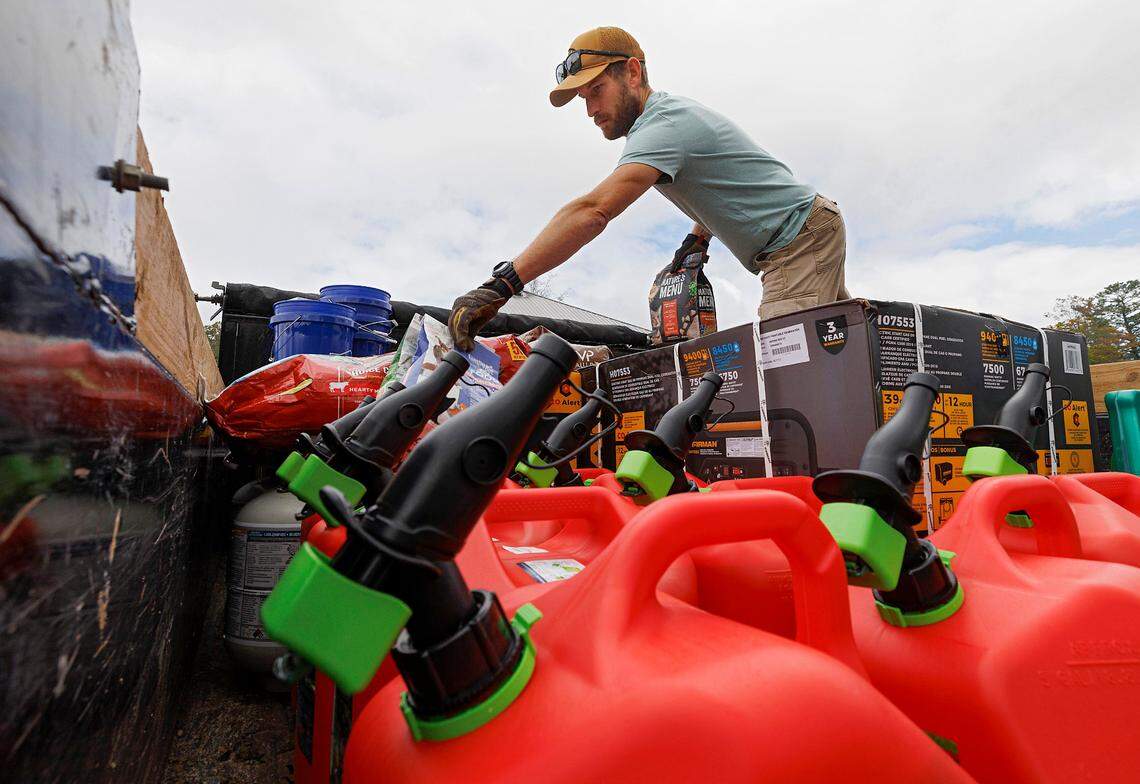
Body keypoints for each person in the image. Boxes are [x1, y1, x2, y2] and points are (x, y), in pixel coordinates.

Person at [447, 26, 848, 351]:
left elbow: (593, 211)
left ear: (633, 73)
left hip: (796, 244)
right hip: (807, 230)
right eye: (583, 98)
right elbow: (720, 179)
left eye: (596, 91)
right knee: (843, 351)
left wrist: (502, 286)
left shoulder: (662, 129)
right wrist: (698, 237)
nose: (589, 111)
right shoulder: (665, 122)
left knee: (790, 364)